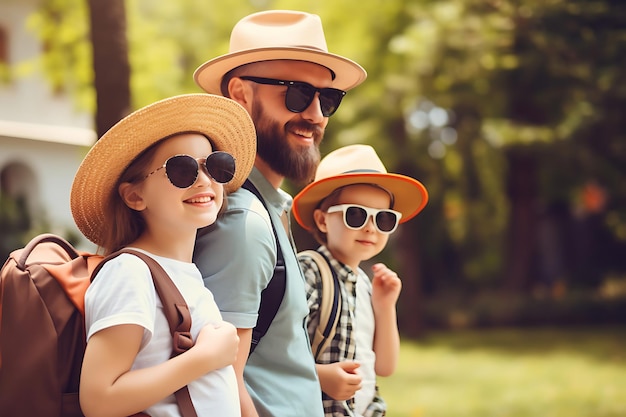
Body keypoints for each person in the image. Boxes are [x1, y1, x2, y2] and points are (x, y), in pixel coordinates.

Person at [192, 10, 367, 417]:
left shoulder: (269, 210)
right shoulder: (245, 223)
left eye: (328, 99)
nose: (317, 115)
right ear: (240, 93)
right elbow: (219, 380)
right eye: (297, 94)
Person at [70, 94, 257, 417]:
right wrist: (204, 358)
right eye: (181, 169)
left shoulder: (185, 274)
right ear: (134, 195)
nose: (204, 180)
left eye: (215, 165)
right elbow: (99, 400)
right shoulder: (130, 271)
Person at [291, 144, 428, 416]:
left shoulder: (364, 284)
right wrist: (319, 375)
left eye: (384, 219)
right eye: (356, 214)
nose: (370, 227)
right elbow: (275, 352)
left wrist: (385, 306)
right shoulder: (311, 271)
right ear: (322, 220)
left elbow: (385, 367)